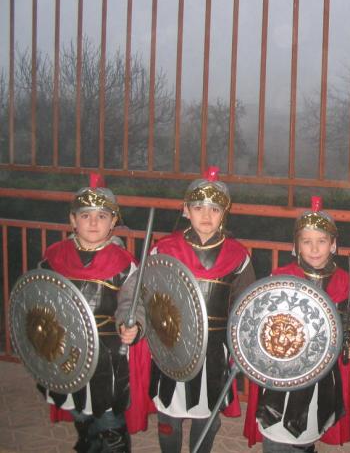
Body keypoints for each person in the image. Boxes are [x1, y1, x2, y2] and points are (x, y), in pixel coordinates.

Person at [38, 173, 151, 452]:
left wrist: (133, 324)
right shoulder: (54, 257)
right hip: (64, 349)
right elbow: (38, 300)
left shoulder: (123, 263)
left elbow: (132, 302)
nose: (93, 222)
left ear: (113, 222)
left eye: (101, 216)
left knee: (108, 418)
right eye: (85, 215)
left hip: (107, 354)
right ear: (73, 220)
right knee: (79, 411)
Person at [149, 166, 256, 453]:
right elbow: (147, 296)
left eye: (214, 209)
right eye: (198, 208)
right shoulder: (164, 249)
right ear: (186, 210)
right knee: (168, 414)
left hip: (215, 349)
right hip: (171, 345)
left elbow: (246, 306)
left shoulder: (238, 256)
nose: (206, 216)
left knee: (206, 414)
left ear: (224, 214)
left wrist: (241, 346)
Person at [243, 196, 350, 452]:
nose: (314, 249)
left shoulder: (346, 283)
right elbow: (260, 321)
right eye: (307, 242)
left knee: (309, 426)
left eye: (321, 241)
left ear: (333, 244)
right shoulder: (280, 278)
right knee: (276, 430)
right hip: (281, 368)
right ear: (297, 245)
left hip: (322, 372)